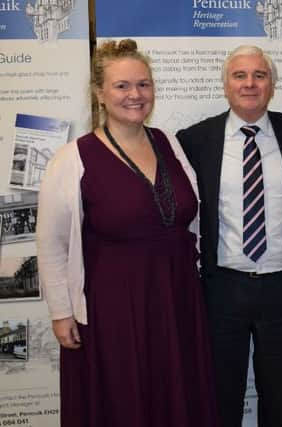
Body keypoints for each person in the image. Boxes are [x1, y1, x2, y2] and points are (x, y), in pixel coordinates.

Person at [36, 39, 219, 427]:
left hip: (177, 297)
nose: (135, 95)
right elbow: (51, 242)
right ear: (100, 93)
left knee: (176, 397)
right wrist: (61, 312)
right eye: (122, 86)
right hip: (113, 308)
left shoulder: (170, 143)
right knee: (123, 401)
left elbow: (193, 217)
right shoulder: (73, 157)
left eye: (144, 84)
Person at [176, 45, 282, 427]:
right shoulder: (195, 140)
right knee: (220, 398)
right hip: (221, 291)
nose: (250, 84)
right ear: (225, 85)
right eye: (240, 76)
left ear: (272, 85)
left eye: (259, 75)